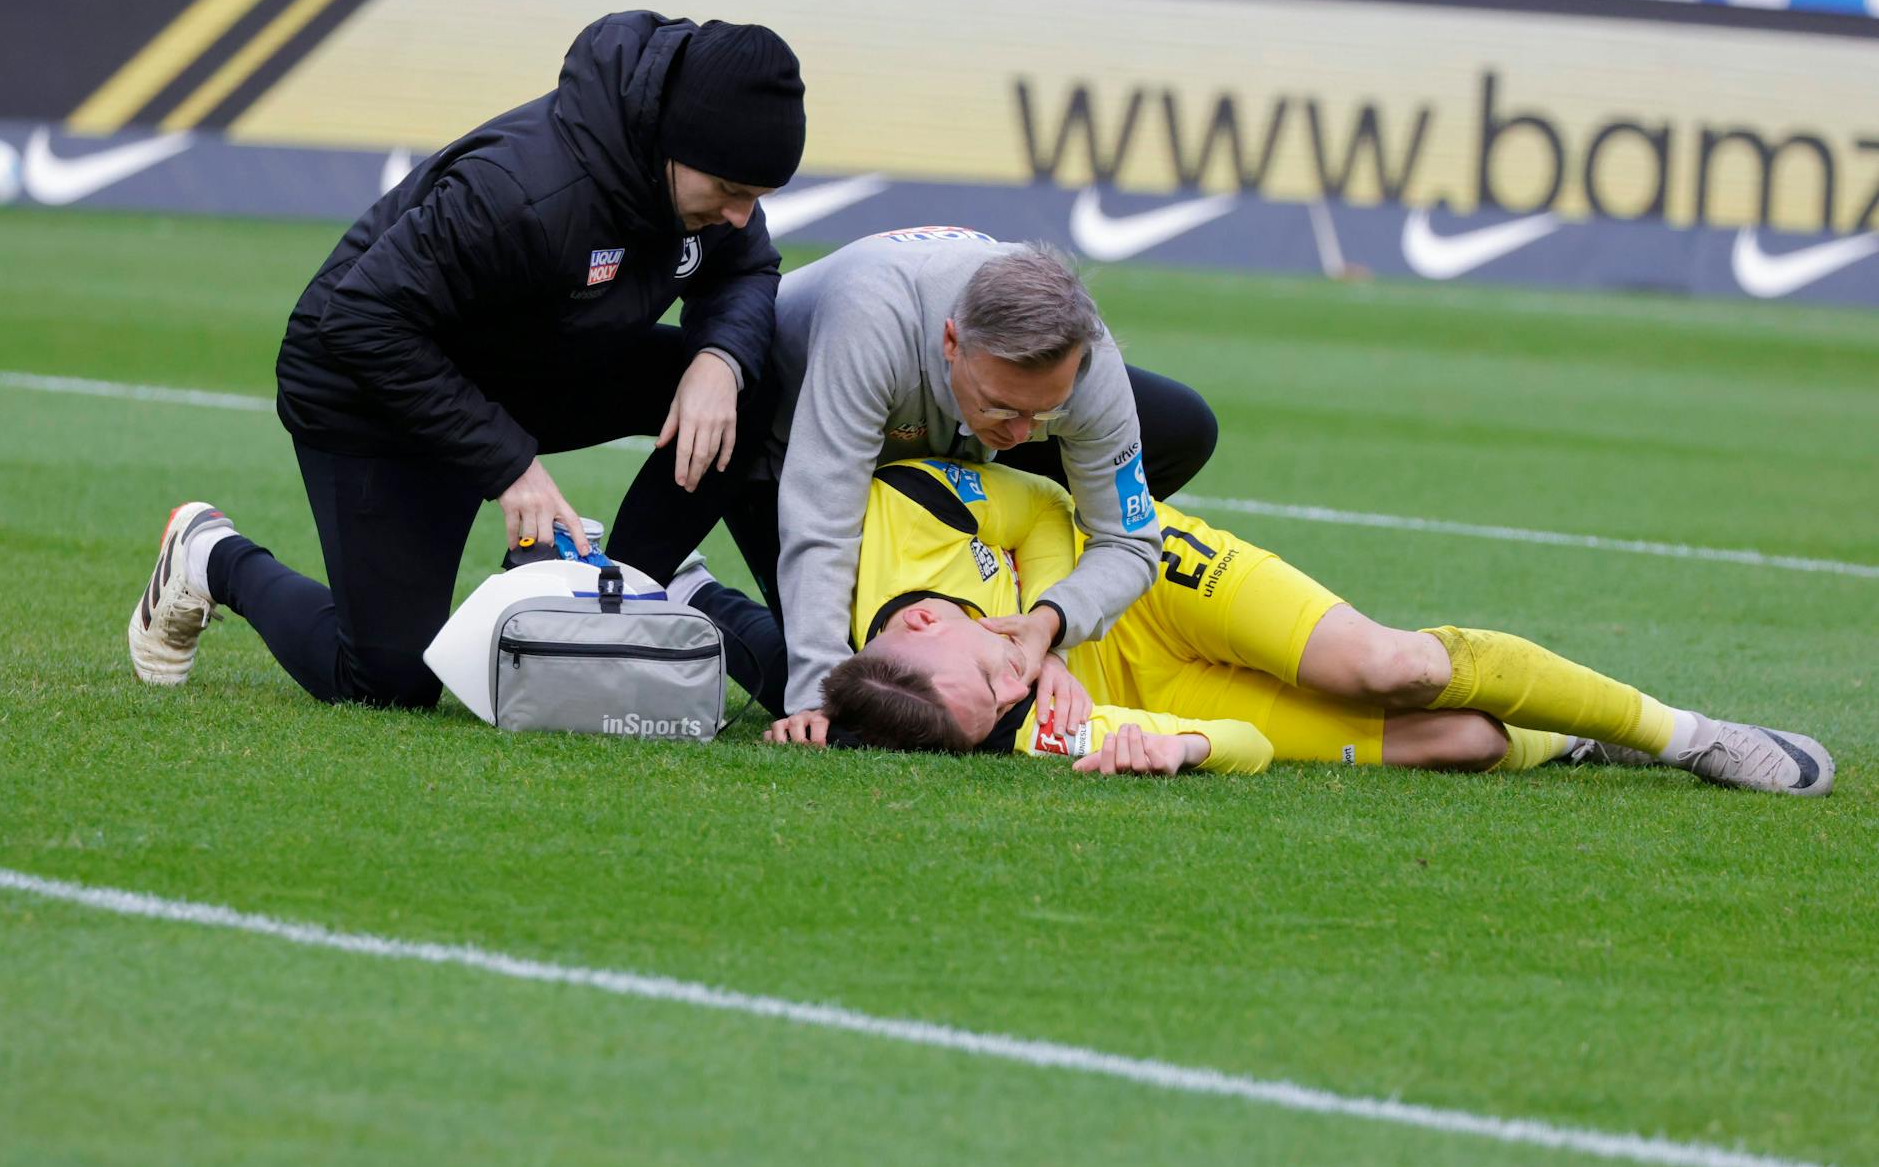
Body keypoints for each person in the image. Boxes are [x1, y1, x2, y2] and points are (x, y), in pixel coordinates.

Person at [127, 12, 806, 706]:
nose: (739, 216)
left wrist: (718, 360)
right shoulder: (524, 192)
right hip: (371, 385)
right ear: (676, 142)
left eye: (756, 198)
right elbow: (361, 319)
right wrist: (508, 464)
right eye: (730, 191)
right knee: (388, 682)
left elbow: (748, 268)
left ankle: (624, 593)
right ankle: (209, 553)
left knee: (752, 382)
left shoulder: (705, 189)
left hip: (528, 364)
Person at [693, 457, 1834, 794]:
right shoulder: (970, 713)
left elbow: (1042, 505)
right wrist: (1175, 744)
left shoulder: (892, 516)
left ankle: (1686, 735)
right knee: (1465, 741)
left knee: (1388, 666)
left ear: (934, 615)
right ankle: (1566, 732)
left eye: (993, 668)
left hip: (1142, 574)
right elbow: (1232, 749)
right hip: (1171, 685)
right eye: (1000, 705)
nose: (1017, 690)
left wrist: (1041, 624)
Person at [682, 232, 1217, 739]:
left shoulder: (1090, 369)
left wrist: (1049, 628)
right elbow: (822, 520)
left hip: (937, 441)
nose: (1021, 435)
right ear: (951, 342)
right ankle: (693, 591)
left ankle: (987, 567)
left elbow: (1129, 541)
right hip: (784, 432)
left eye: (1044, 413)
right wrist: (817, 698)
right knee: (860, 699)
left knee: (1181, 426)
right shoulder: (871, 321)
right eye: (1001, 405)